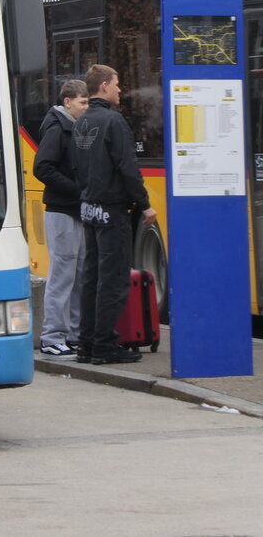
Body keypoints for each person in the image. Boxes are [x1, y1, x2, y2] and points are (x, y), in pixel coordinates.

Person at [72, 64, 157, 365]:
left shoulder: (82, 122)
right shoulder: (113, 121)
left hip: (89, 208)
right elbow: (128, 169)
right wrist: (145, 203)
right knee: (113, 278)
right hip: (111, 211)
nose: (121, 89)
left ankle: (86, 343)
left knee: (91, 277)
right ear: (105, 86)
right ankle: (105, 345)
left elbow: (78, 166)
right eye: (118, 84)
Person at [34, 79, 89, 356]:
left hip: (73, 209)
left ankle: (74, 334)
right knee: (63, 274)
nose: (86, 107)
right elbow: (42, 167)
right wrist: (77, 189)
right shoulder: (58, 128)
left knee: (77, 273)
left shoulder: (73, 127)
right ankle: (52, 337)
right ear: (68, 102)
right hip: (62, 210)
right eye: (83, 102)